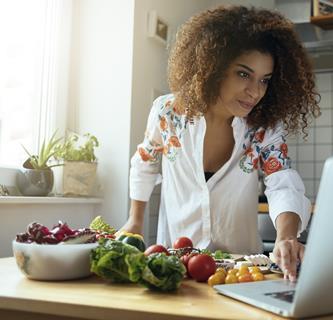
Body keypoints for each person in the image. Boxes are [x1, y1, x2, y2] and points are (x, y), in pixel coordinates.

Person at [120, 5, 320, 281]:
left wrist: (286, 237)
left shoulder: (263, 128)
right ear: (212, 67)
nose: (255, 91)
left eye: (264, 80)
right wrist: (135, 220)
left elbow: (282, 181)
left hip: (242, 270)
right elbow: (145, 161)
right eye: (243, 74)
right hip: (176, 266)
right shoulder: (167, 112)